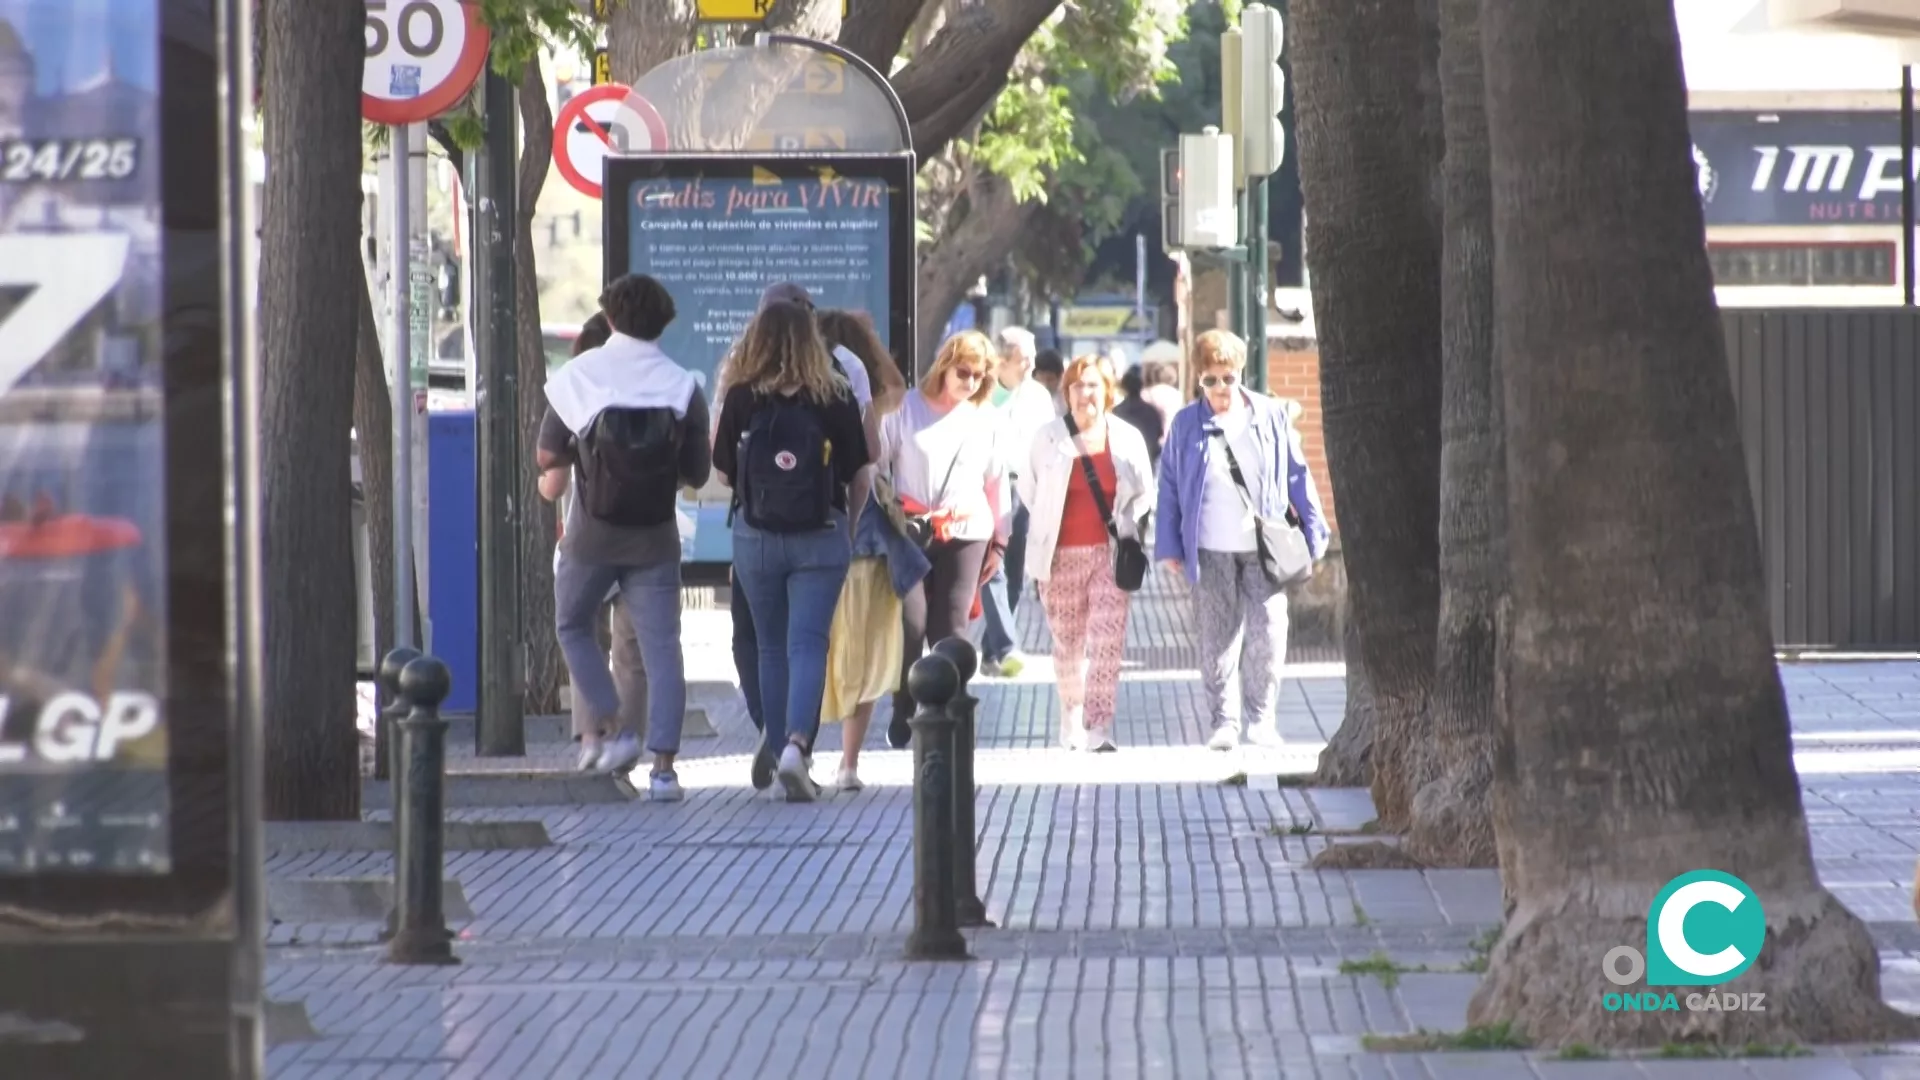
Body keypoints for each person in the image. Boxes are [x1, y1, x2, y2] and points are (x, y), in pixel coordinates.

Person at [538, 274, 710, 800]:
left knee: (571, 624)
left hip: (592, 533)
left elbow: (548, 457)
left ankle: (613, 728)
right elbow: (698, 472)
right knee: (663, 651)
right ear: (664, 322)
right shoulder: (683, 387)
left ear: (609, 318)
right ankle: (664, 771)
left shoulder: (579, 376)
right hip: (655, 537)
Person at [712, 300, 871, 802]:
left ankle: (780, 741)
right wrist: (848, 526)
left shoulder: (742, 395)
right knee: (809, 644)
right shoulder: (836, 393)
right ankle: (797, 749)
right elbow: (859, 471)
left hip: (756, 538)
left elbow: (722, 472)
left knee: (770, 646)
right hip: (822, 532)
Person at [1154, 329, 1329, 751]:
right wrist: (1170, 546)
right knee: (1216, 636)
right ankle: (1224, 722)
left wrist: (1313, 531)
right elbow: (1171, 487)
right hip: (1209, 546)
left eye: (1227, 378)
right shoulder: (1186, 424)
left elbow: (1296, 473)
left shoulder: (1268, 415)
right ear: (1199, 380)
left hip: (1262, 546)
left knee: (1269, 630)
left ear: (1240, 374)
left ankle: (1261, 719)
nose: (1220, 388)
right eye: (1210, 380)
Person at [878, 329, 1011, 748]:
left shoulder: (986, 417)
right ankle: (903, 707)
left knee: (950, 626)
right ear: (944, 365)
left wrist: (1000, 544)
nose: (970, 381)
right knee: (911, 622)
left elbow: (997, 483)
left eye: (979, 375)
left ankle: (952, 714)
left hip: (966, 529)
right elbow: (879, 466)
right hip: (911, 530)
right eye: (963, 371)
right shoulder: (906, 408)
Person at [1019, 355, 1155, 752]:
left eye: (1093, 384)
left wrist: (1126, 525)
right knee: (1068, 644)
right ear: (1066, 393)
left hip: (1108, 556)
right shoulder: (1047, 438)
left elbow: (1145, 492)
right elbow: (1029, 490)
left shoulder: (1126, 437)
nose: (1085, 393)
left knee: (1107, 639)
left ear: (1107, 391)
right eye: (1077, 385)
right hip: (1058, 558)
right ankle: (1071, 712)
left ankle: (1099, 725)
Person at [816, 308, 924, 790]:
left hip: (810, 528)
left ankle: (791, 746)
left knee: (815, 646)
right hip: (867, 537)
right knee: (865, 647)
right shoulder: (871, 397)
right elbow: (896, 386)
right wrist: (870, 341)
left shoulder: (803, 388)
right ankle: (848, 764)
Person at [551, 312, 649, 772]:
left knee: (582, 636)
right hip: (643, 540)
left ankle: (591, 737)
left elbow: (550, 485)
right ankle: (627, 742)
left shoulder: (572, 397)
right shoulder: (645, 395)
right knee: (632, 651)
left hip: (586, 539)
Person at [978, 326, 1058, 678]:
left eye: (1032, 358)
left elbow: (1048, 443)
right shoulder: (981, 392)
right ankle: (1008, 645)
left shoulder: (1039, 395)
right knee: (990, 565)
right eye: (1023, 360)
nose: (1030, 365)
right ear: (1002, 361)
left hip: (1025, 490)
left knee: (1013, 572)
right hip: (987, 488)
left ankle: (991, 651)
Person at [1114, 363, 1166, 471]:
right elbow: (1158, 435)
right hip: (1147, 463)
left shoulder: (1116, 412)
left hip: (1121, 466)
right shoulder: (1151, 412)